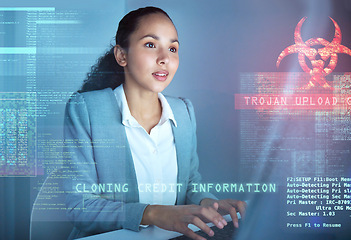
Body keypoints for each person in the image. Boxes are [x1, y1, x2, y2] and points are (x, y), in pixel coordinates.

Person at [63, 6, 246, 240]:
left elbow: (190, 184)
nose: (165, 59)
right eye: (150, 45)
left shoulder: (183, 111)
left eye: (172, 48)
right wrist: (153, 214)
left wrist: (208, 203)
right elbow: (80, 207)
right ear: (121, 56)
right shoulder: (86, 109)